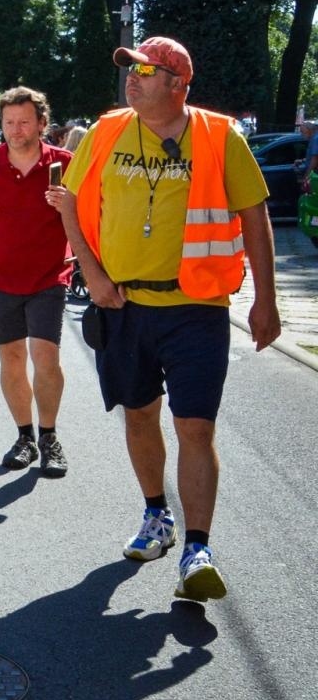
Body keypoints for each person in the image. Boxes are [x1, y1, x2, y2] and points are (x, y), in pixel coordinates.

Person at [49, 36, 279, 602]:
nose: (132, 79)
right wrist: (92, 275)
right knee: (138, 416)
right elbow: (69, 202)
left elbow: (255, 216)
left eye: (146, 72)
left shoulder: (219, 136)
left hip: (197, 307)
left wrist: (267, 299)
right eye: (130, 69)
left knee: (195, 426)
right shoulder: (106, 131)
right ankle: (157, 515)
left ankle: (197, 547)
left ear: (178, 84)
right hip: (122, 305)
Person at [0, 88, 74, 476]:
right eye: (8, 122)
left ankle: (49, 435)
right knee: (11, 358)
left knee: (46, 356)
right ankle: (24, 437)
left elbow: (86, 220)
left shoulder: (65, 164)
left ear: (42, 123)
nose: (15, 130)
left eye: (24, 122)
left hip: (48, 277)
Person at [299, 121, 317, 193]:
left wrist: (306, 177)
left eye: (302, 132)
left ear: (309, 130)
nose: (301, 134)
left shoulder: (316, 139)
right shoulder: (313, 139)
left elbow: (315, 159)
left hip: (314, 175)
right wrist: (303, 160)